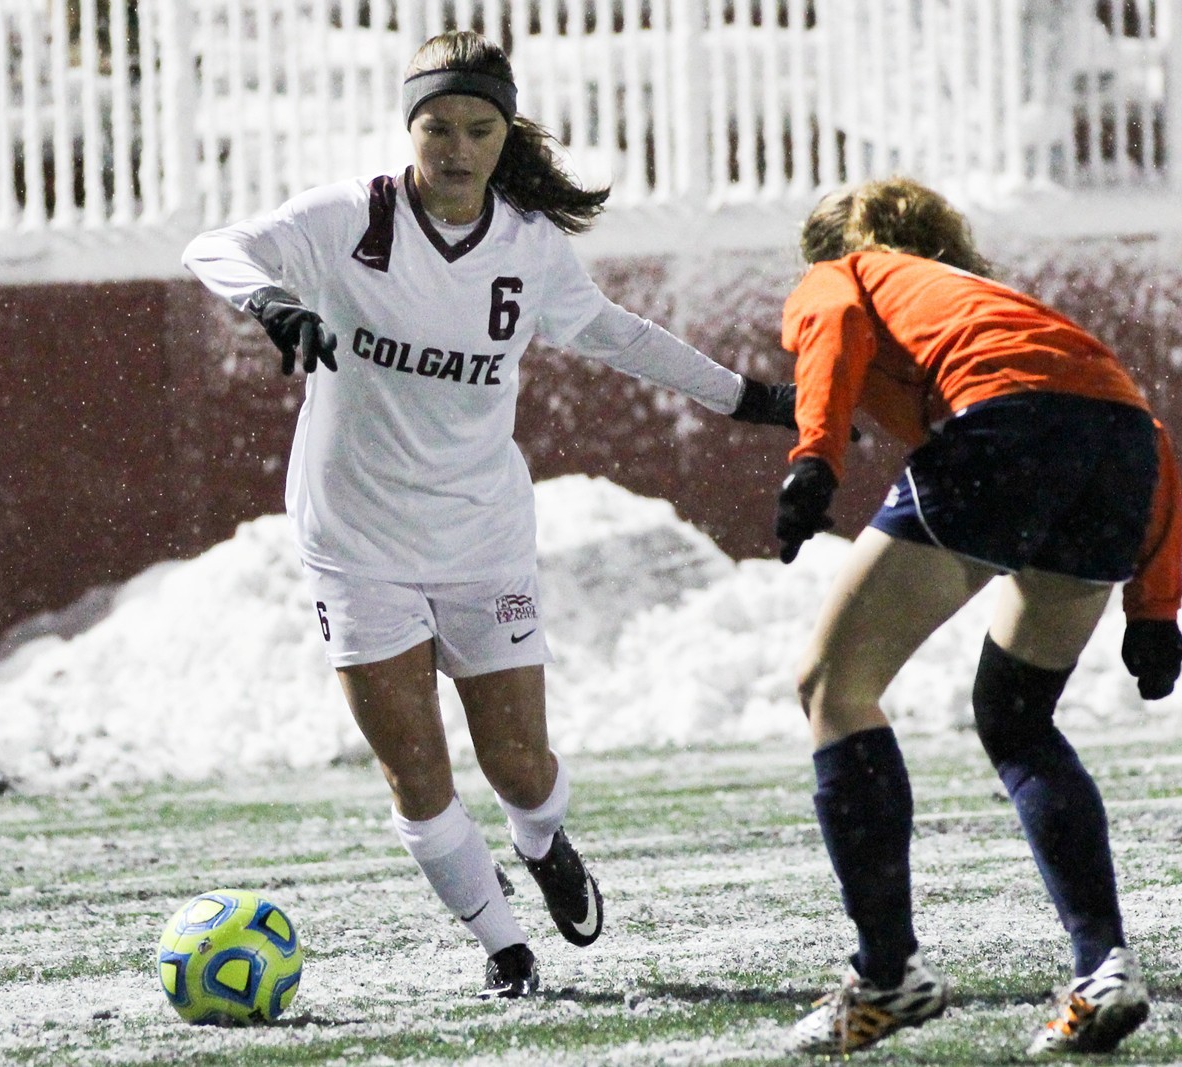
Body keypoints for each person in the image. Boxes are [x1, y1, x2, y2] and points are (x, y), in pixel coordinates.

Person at [183, 30, 797, 998]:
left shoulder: (529, 247)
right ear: (409, 127)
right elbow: (210, 245)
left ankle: (542, 840)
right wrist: (268, 302)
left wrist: (749, 401)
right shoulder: (351, 220)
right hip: (356, 543)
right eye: (437, 127)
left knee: (517, 763)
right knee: (416, 775)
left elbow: (616, 334)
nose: (457, 149)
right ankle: (505, 946)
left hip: (481, 540)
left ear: (505, 135)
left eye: (478, 128)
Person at [770, 177, 1182, 1055]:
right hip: (1117, 457)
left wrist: (815, 455)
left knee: (832, 685)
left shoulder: (842, 270)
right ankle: (1102, 963)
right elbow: (1138, 427)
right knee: (1017, 718)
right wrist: (1154, 607)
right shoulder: (997, 304)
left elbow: (833, 325)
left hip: (1008, 430)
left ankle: (887, 976)